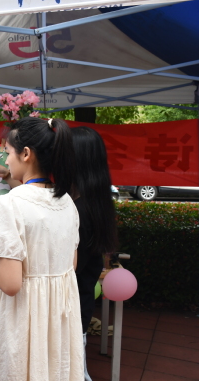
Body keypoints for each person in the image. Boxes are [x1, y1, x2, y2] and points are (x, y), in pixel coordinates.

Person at [0, 117, 84, 381]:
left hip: (24, 319)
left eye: (7, 153)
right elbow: (70, 266)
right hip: (59, 321)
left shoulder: (9, 204)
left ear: (25, 154)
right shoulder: (67, 202)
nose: (6, 161)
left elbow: (11, 284)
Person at [71, 127, 118, 381]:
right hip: (81, 304)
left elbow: (70, 267)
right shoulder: (93, 201)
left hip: (71, 308)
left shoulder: (79, 210)